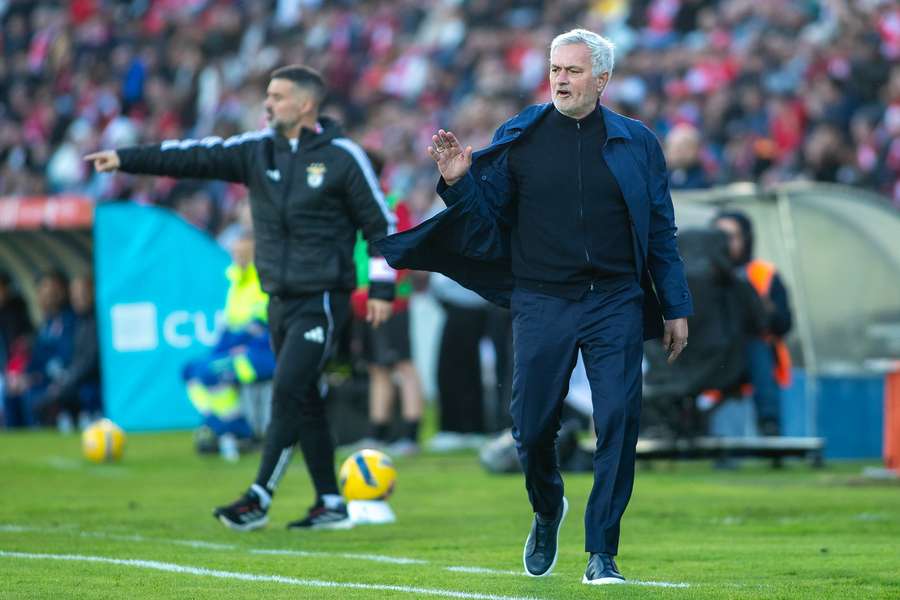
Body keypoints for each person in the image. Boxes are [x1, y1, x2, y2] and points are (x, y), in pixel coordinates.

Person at [377, 29, 692, 584]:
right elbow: (487, 216)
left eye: (572, 70)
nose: (561, 79)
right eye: (554, 69)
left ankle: (602, 552)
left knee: (619, 419)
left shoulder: (638, 141)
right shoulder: (521, 135)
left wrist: (676, 305)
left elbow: (662, 229)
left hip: (615, 298)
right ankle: (548, 509)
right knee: (530, 426)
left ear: (602, 79)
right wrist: (457, 181)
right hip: (543, 298)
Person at [86, 64, 396, 531]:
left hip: (323, 300)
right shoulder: (256, 151)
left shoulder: (341, 156)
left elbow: (381, 226)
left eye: (277, 96)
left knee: (289, 390)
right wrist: (127, 158)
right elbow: (192, 156)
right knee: (305, 397)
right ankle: (330, 501)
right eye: (267, 95)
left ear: (306, 105)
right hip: (279, 301)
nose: (267, 104)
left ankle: (259, 496)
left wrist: (382, 287)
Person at [350, 150, 424, 456]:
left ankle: (410, 432)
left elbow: (404, 251)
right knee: (377, 367)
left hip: (391, 300)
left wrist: (384, 289)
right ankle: (377, 433)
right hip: (361, 301)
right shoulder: (354, 205)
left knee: (402, 364)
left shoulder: (393, 203)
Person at [182, 235, 275, 462]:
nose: (239, 258)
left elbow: (259, 328)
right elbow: (230, 329)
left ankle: (236, 431)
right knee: (190, 370)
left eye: (245, 254)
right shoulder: (236, 283)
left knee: (207, 372)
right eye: (236, 254)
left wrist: (228, 350)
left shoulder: (263, 281)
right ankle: (226, 427)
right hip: (240, 352)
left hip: (262, 356)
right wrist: (217, 353)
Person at [713, 210, 793, 435]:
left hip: (753, 355)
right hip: (714, 355)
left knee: (757, 345)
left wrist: (764, 310)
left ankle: (769, 423)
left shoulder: (764, 274)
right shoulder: (699, 274)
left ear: (745, 239)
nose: (725, 244)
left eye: (731, 237)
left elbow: (784, 324)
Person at [40, 273, 102, 431]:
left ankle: (87, 418)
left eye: (81, 293)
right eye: (74, 294)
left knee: (68, 390)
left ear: (92, 293)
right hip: (75, 377)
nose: (77, 298)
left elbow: (90, 360)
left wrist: (69, 378)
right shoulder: (80, 322)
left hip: (90, 379)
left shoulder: (96, 321)